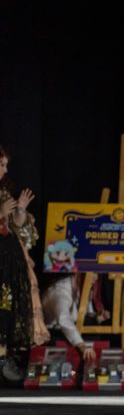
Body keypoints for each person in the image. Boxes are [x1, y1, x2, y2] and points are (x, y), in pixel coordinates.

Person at [0, 145, 48, 384]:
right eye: (2, 165)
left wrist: (20, 209)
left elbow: (13, 226)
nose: (5, 170)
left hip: (7, 261)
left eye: (6, 165)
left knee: (5, 310)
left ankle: (3, 358)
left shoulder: (3, 191)